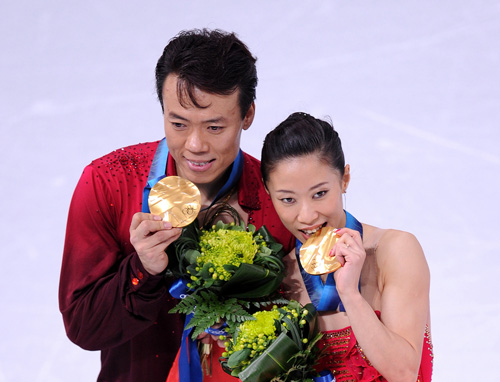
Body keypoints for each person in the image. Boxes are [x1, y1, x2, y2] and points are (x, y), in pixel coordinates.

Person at [59, 29, 295, 382]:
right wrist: (142, 271)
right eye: (178, 124)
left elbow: (309, 321)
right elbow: (83, 328)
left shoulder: (279, 198)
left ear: (247, 116)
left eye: (215, 127)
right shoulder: (108, 182)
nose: (195, 145)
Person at [260, 112, 433, 382]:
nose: (306, 215)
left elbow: (404, 373)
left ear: (344, 180)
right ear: (269, 193)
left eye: (319, 194)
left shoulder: (395, 250)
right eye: (288, 200)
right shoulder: (278, 275)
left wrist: (350, 294)